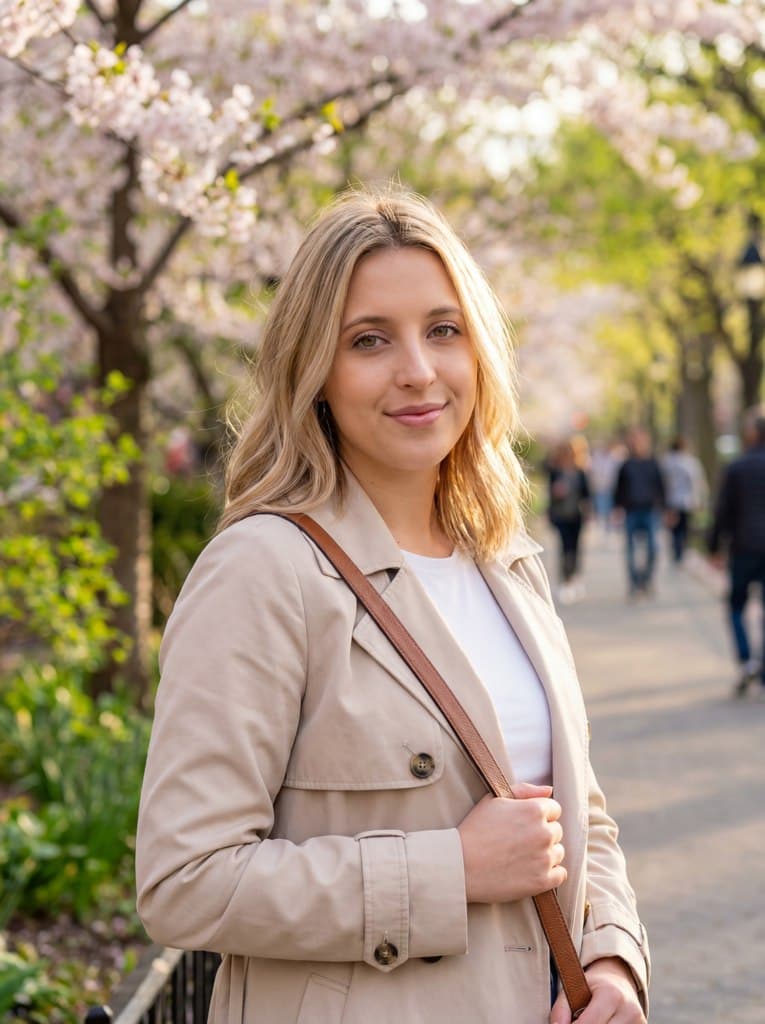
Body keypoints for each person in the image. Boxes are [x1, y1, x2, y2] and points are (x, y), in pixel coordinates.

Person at [135, 188, 649, 1024]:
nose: (418, 369)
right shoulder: (264, 570)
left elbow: (576, 811)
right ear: (315, 372)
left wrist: (613, 958)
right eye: (368, 340)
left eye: (443, 330)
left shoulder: (504, 561)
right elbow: (182, 882)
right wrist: (447, 870)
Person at [708, 406, 765, 698]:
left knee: (736, 607)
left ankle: (745, 661)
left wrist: (714, 547)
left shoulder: (737, 468)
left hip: (743, 547)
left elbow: (723, 511)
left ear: (752, 433)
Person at [612, 428, 665, 598]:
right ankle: (634, 583)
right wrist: (617, 508)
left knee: (652, 549)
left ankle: (646, 580)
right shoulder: (626, 465)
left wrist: (665, 508)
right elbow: (618, 489)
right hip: (631, 511)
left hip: (649, 511)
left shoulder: (653, 463)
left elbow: (661, 487)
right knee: (630, 550)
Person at [546, 440, 591, 603]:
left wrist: (588, 511)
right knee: (564, 548)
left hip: (576, 515)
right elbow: (550, 494)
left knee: (576, 547)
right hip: (560, 515)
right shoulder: (555, 471)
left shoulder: (580, 472)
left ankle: (575, 577)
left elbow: (587, 494)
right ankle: (564, 579)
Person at [660, 437, 707, 565]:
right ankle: (680, 551)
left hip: (671, 500)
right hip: (686, 501)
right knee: (684, 527)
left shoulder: (666, 462)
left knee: (674, 527)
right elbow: (697, 481)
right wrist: (699, 499)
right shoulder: (690, 462)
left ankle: (676, 550)